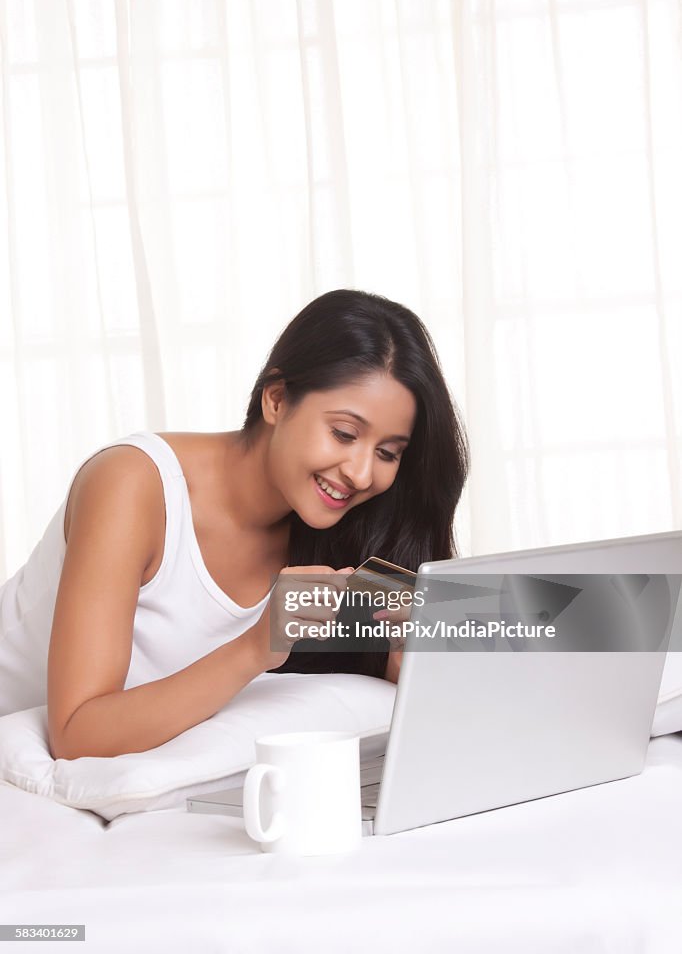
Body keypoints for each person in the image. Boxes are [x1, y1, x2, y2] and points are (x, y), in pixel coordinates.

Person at [0, 289, 469, 759]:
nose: (362, 473)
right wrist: (256, 647)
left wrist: (401, 658)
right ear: (277, 399)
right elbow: (75, 733)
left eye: (388, 453)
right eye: (344, 434)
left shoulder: (340, 529)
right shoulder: (132, 485)